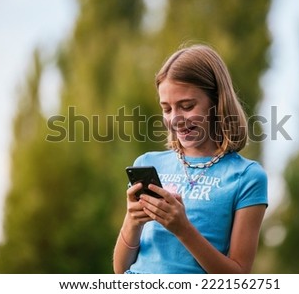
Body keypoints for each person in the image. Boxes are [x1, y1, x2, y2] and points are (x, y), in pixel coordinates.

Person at [113, 44, 268, 274]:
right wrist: (132, 221)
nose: (175, 119)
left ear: (217, 102)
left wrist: (182, 229)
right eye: (166, 109)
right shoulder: (147, 163)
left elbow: (239, 277)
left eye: (187, 106)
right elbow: (120, 268)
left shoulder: (247, 177)